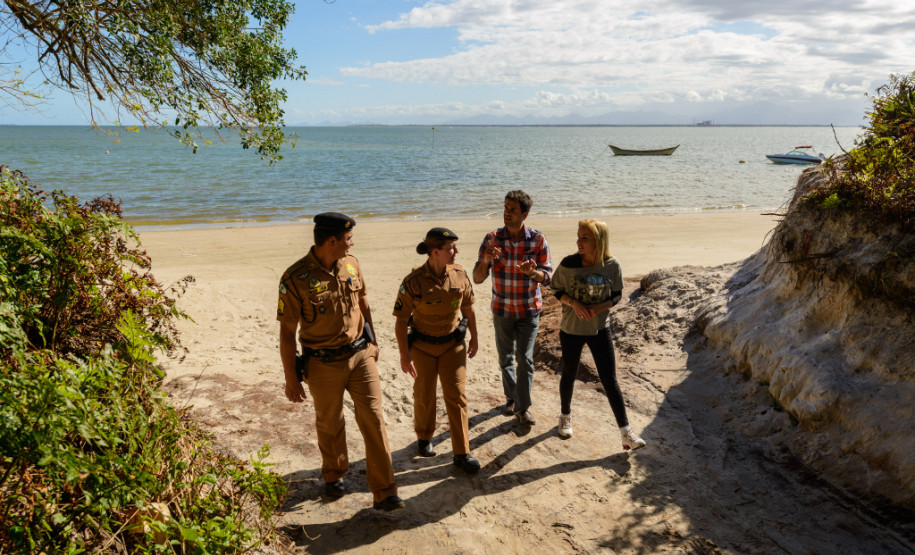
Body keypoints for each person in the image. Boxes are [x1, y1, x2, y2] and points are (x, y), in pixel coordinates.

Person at [277, 212, 405, 511]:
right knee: (330, 422)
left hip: (360, 355)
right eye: (348, 239)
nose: (352, 243)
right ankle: (334, 473)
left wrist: (373, 341)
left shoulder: (351, 263)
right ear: (331, 241)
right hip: (322, 364)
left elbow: (363, 303)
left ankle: (385, 492)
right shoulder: (295, 278)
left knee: (374, 419)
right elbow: (287, 332)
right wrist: (291, 378)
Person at [549, 218, 646, 451]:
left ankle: (626, 433)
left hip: (600, 329)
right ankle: (565, 416)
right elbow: (556, 290)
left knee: (610, 379)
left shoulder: (612, 265)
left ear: (599, 240)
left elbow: (617, 294)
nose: (579, 242)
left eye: (585, 238)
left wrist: (602, 306)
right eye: (578, 236)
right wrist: (574, 303)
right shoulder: (569, 263)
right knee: (569, 373)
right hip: (571, 330)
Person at [393, 227, 481, 474]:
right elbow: (401, 320)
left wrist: (475, 338)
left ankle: (462, 453)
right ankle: (424, 437)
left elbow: (469, 309)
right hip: (422, 348)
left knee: (457, 397)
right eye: (451, 248)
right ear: (435, 251)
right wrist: (404, 354)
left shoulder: (459, 275)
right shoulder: (413, 281)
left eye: (455, 247)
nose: (456, 251)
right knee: (424, 395)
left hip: (453, 346)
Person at [473, 190, 552, 427]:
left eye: (513, 210)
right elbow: (477, 278)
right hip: (502, 310)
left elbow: (547, 277)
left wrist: (533, 273)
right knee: (505, 358)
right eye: (506, 208)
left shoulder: (537, 239)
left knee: (525, 359)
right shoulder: (491, 239)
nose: (507, 213)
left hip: (529, 310)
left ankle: (523, 408)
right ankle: (511, 399)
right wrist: (486, 260)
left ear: (525, 214)